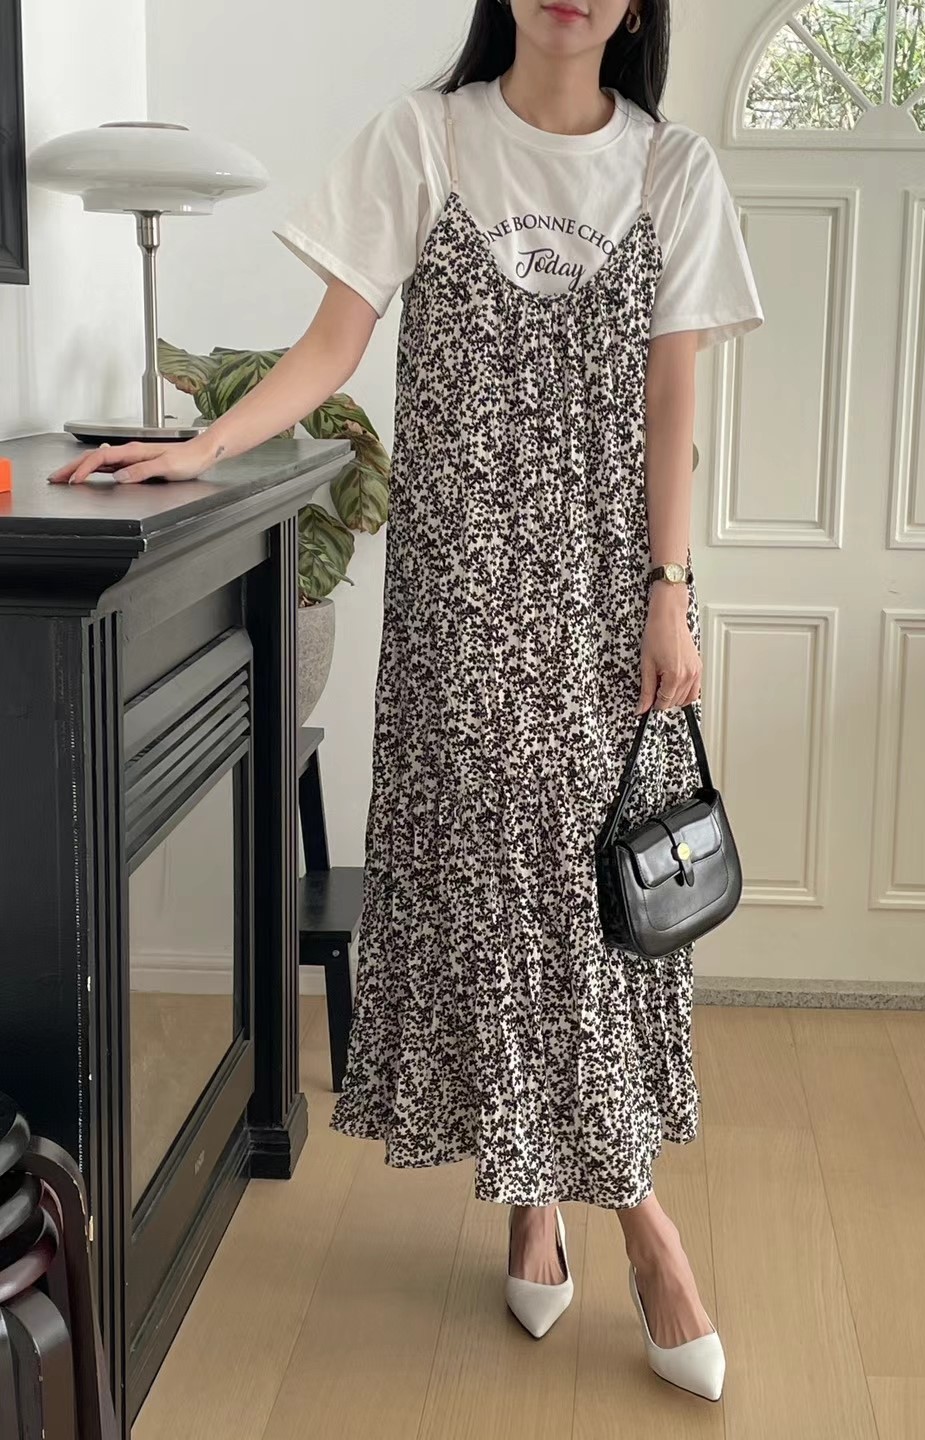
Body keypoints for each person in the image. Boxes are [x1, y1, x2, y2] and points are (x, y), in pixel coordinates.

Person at [50, 0, 762, 1402]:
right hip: (463, 602)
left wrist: (670, 590)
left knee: (586, 896)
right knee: (509, 886)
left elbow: (672, 403)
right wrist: (199, 445)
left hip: (607, 595)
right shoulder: (424, 141)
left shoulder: (673, 170)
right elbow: (330, 350)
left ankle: (554, 1204)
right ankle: (638, 1226)